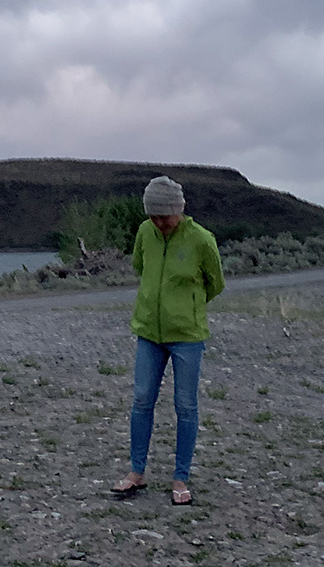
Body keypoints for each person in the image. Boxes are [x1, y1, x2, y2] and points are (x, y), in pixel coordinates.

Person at [111, 176, 225, 506]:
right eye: (153, 216)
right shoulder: (145, 233)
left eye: (165, 216)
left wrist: (186, 307)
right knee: (142, 399)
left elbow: (215, 283)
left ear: (179, 210)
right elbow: (139, 266)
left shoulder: (202, 240)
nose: (159, 223)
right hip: (149, 331)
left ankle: (181, 477)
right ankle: (136, 472)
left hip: (187, 337)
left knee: (185, 406)